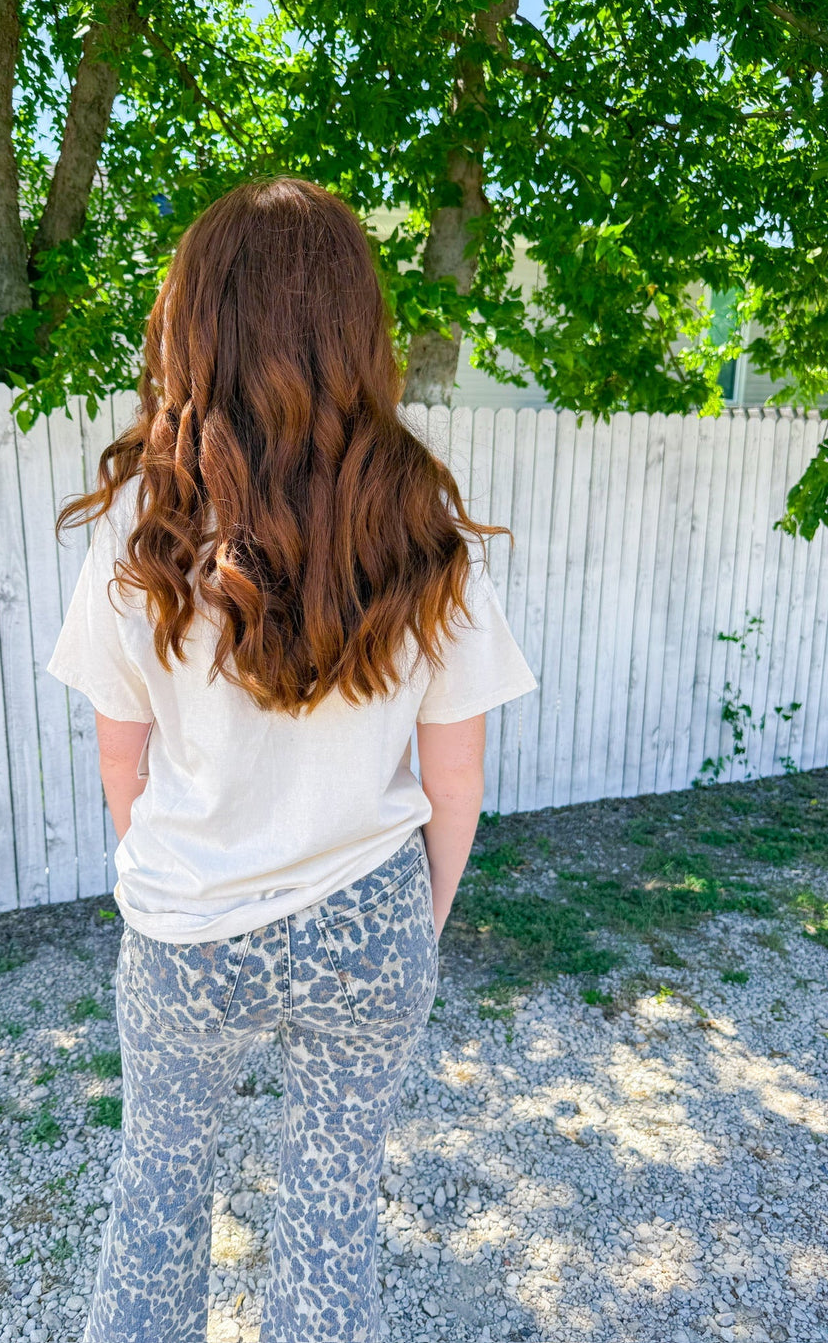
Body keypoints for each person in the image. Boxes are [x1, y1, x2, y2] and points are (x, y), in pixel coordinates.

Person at [46, 175, 538, 1343]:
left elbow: (125, 773)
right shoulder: (422, 527)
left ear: (194, 325)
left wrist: (180, 885)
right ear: (358, 333)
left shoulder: (142, 528)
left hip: (187, 927)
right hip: (365, 917)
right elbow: (456, 784)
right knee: (330, 1209)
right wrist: (405, 934)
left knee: (158, 1195)